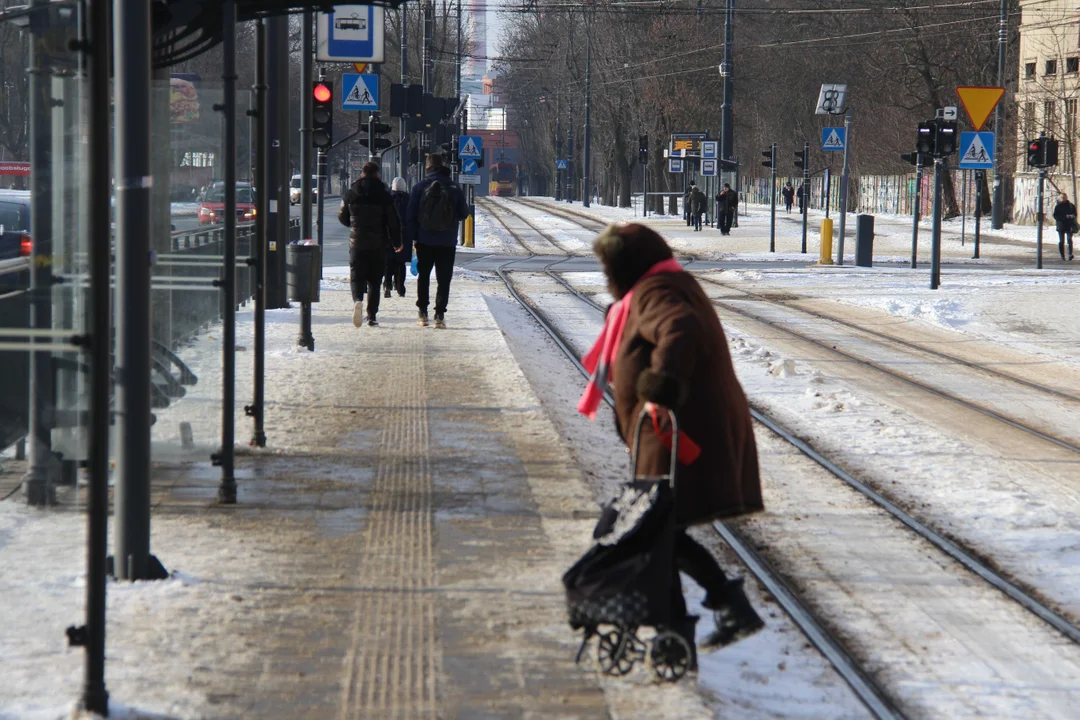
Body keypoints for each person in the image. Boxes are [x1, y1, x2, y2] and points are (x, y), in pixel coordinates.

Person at [578, 222, 765, 653]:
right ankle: (701, 616)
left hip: (675, 432)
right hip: (672, 432)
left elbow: (679, 327)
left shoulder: (656, 291)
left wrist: (660, 390)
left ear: (625, 267)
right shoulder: (660, 284)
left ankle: (684, 625)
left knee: (653, 529)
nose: (607, 277)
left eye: (610, 267)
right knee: (659, 530)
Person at [406, 153, 470, 329]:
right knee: (444, 279)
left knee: (423, 276)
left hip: (424, 240)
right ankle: (439, 315)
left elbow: (410, 215)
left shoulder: (419, 187)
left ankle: (422, 313)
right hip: (447, 241)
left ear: (427, 167)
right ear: (443, 165)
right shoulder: (454, 187)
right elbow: (464, 213)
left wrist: (413, 238)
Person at [338, 161, 401, 328]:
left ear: (362, 174)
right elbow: (393, 222)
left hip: (356, 243)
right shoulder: (384, 195)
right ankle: (371, 315)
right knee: (374, 280)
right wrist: (397, 242)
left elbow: (342, 216)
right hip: (378, 244)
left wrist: (353, 225)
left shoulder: (351, 193)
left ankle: (357, 300)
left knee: (356, 277)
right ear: (378, 175)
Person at [384, 177, 411, 297]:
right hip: (404, 235)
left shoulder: (386, 198)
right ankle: (400, 286)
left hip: (388, 233)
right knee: (401, 262)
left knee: (388, 261)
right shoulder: (408, 199)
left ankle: (387, 284)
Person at [1053, 192, 1076, 261]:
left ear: (1066, 197)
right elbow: (1055, 216)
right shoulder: (1058, 207)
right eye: (1062, 197)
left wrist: (1072, 216)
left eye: (1064, 197)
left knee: (1069, 239)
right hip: (1061, 226)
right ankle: (1062, 255)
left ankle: (1070, 254)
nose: (1063, 199)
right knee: (1061, 241)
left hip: (1069, 225)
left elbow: (1075, 214)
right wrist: (1064, 217)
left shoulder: (1071, 206)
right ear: (1060, 198)